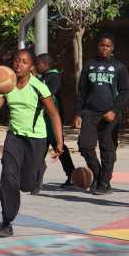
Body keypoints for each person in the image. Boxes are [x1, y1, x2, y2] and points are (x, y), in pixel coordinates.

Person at [0, 48, 64, 238]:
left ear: (31, 67)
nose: (19, 64)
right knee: (8, 176)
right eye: (16, 60)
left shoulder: (39, 86)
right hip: (14, 137)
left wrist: (59, 142)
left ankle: (38, 170)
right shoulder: (6, 85)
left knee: (26, 185)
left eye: (24, 62)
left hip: (36, 139)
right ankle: (6, 222)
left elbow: (53, 114)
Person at [73, 34, 129, 195]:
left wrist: (115, 110)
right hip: (90, 113)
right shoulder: (89, 65)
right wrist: (78, 113)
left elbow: (125, 91)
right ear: (98, 46)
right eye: (102, 45)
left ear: (112, 48)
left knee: (108, 150)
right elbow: (82, 91)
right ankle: (98, 175)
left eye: (108, 46)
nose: (104, 48)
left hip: (109, 115)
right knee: (84, 146)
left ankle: (104, 182)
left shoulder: (119, 67)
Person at [33, 54, 75, 192]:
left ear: (45, 65)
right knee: (41, 148)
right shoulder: (43, 77)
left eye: (37, 64)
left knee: (58, 147)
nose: (35, 66)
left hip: (52, 119)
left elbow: (49, 93)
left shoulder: (54, 77)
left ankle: (72, 175)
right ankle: (36, 179)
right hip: (42, 119)